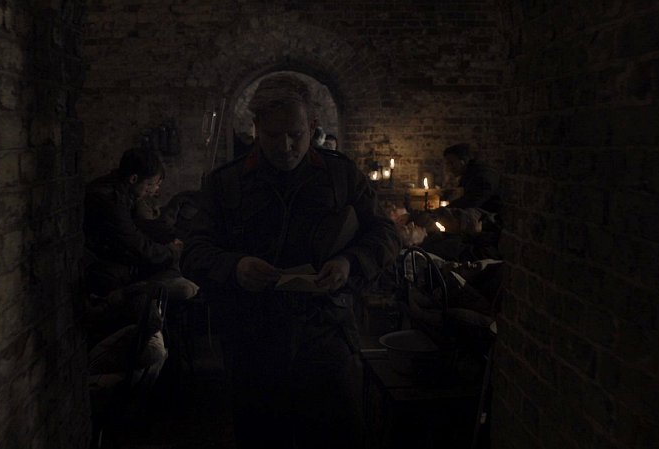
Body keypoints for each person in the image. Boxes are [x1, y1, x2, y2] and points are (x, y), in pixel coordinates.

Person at [181, 74, 400, 449]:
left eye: (295, 135)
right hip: (253, 340)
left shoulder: (341, 175)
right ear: (256, 128)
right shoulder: (226, 183)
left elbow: (385, 234)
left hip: (326, 333)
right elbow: (193, 251)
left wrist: (350, 262)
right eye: (272, 135)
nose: (285, 147)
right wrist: (235, 267)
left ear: (312, 127)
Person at [83, 148, 198, 389]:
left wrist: (170, 240)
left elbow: (139, 229)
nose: (151, 190)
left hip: (110, 265)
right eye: (149, 185)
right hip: (104, 272)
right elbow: (134, 243)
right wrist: (170, 253)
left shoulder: (119, 193)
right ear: (134, 178)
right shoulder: (109, 199)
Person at [442, 143, 501, 213]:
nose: (449, 168)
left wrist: (445, 210)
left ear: (463, 161)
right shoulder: (470, 173)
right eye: (447, 164)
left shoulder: (481, 176)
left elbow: (471, 201)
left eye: (451, 163)